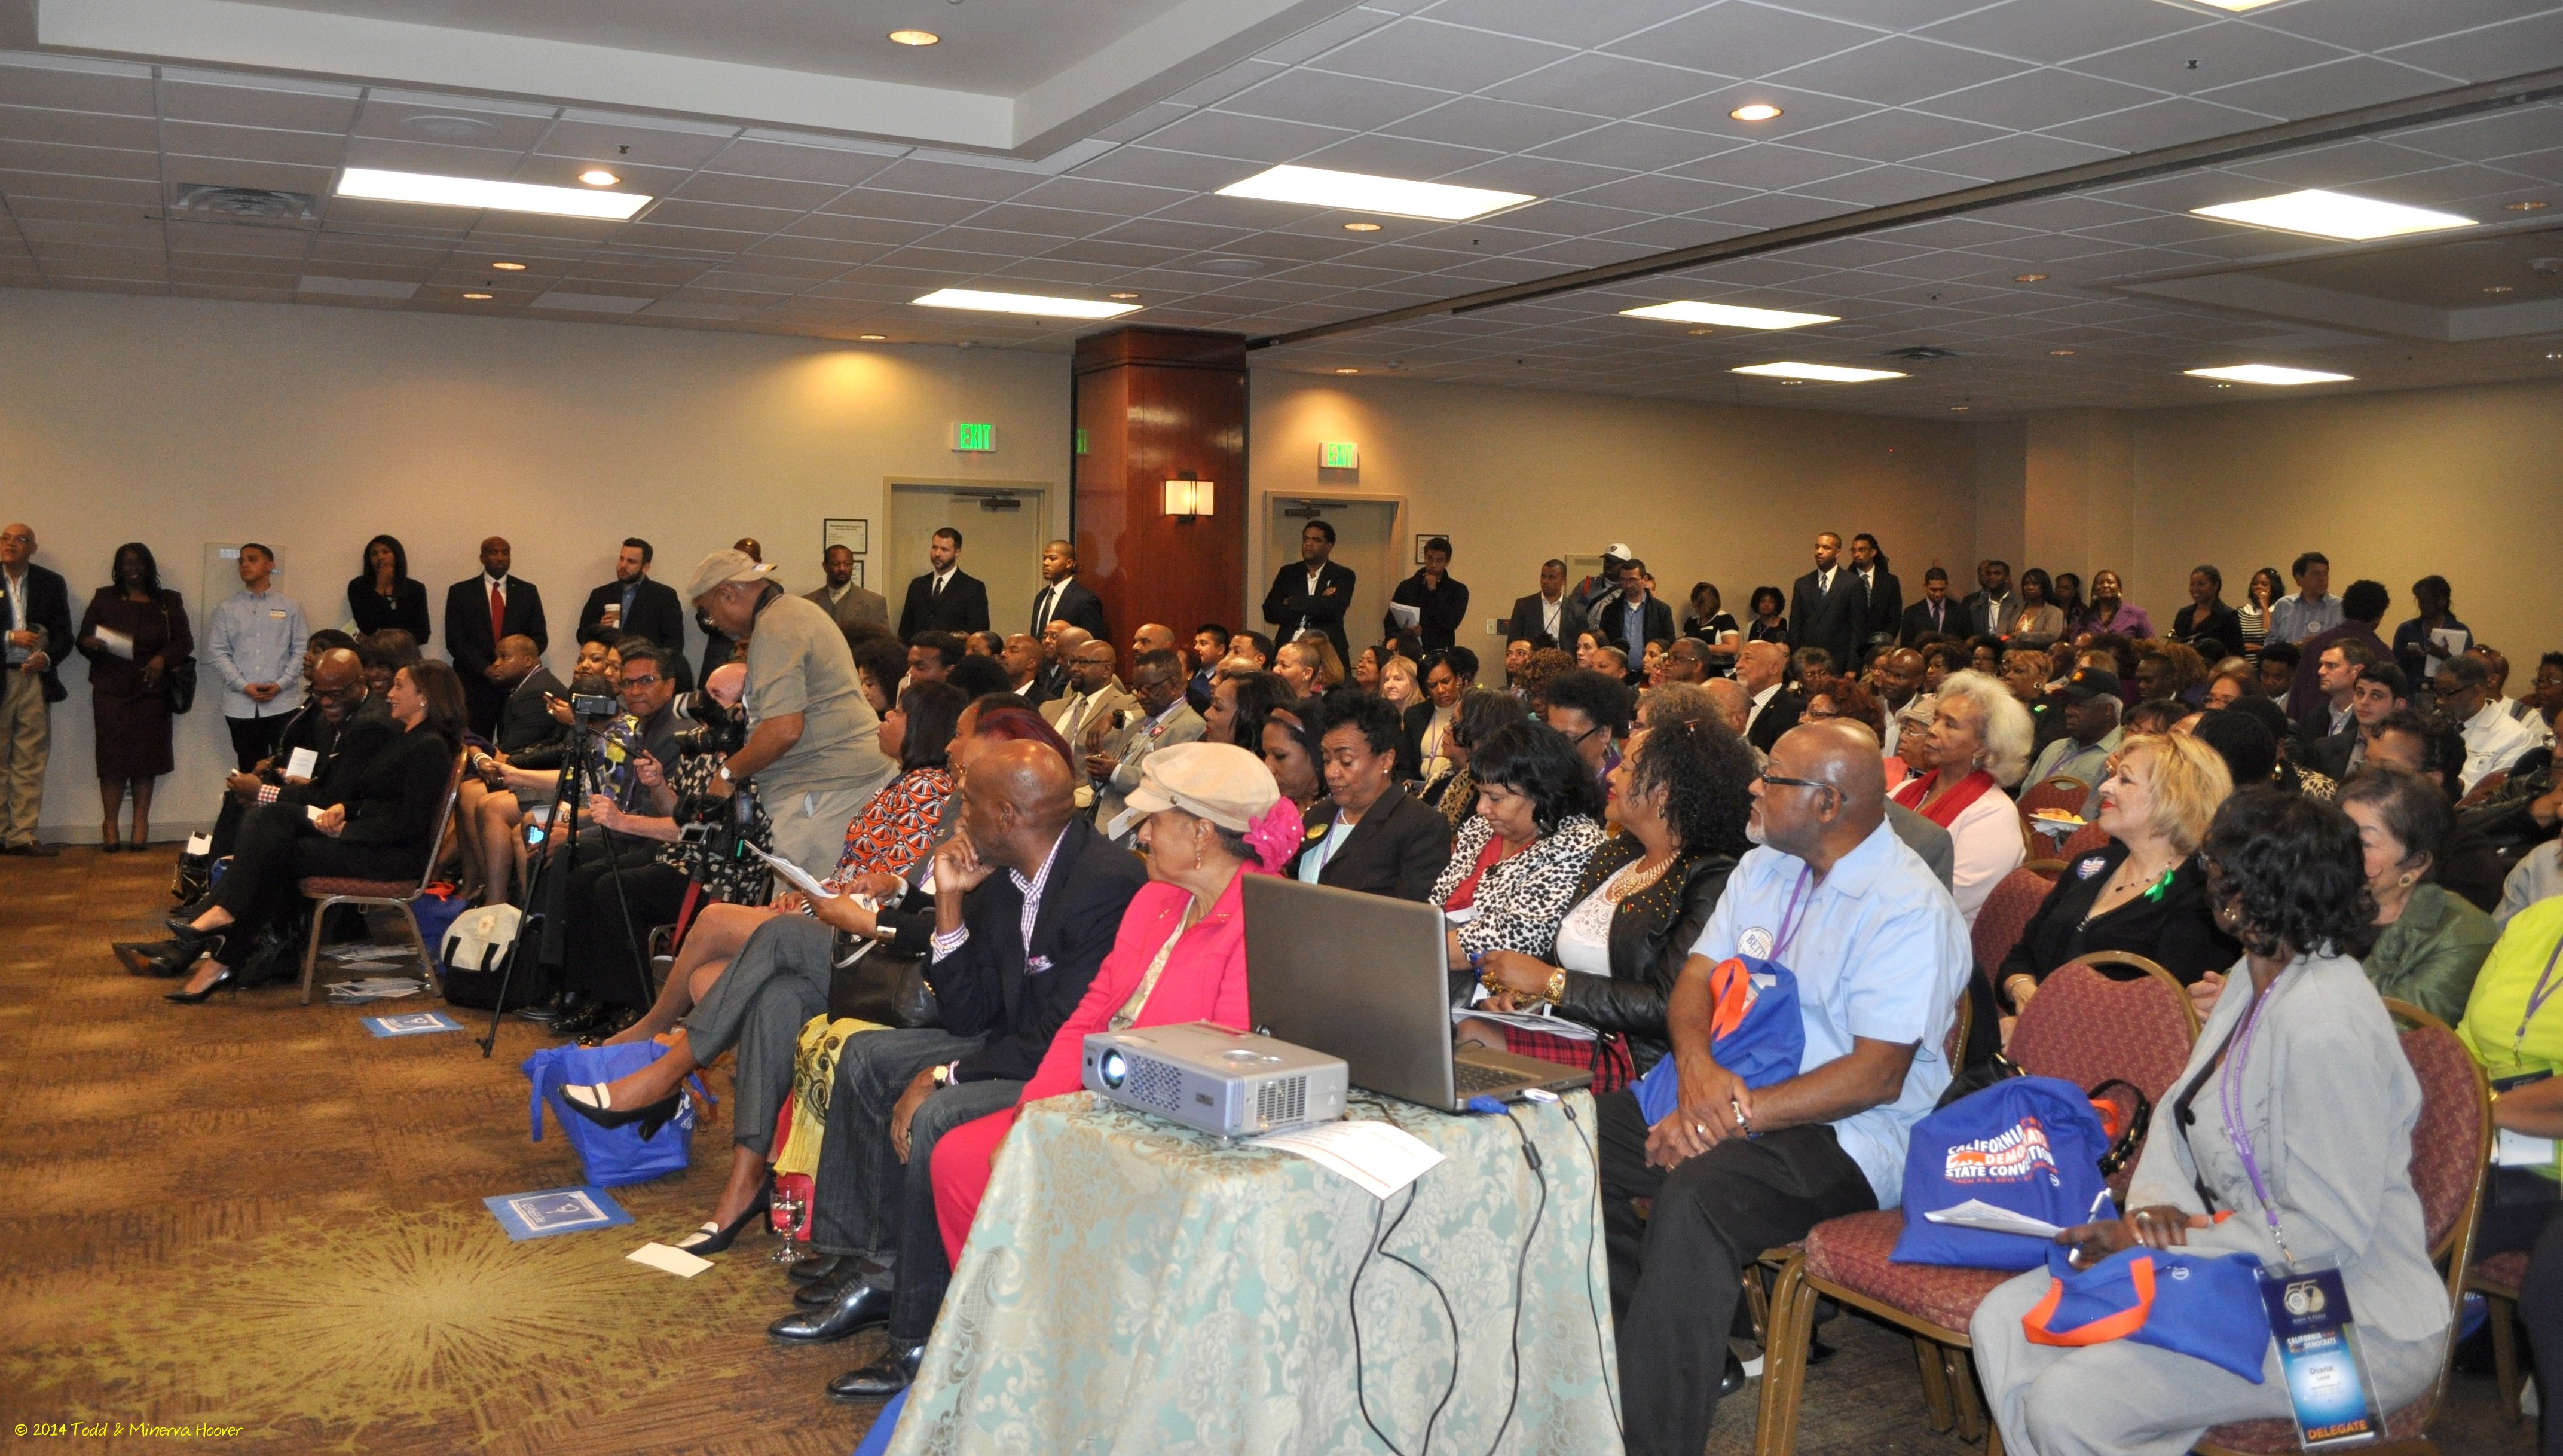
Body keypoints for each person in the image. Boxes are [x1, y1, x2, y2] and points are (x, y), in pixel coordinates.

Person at [1971, 787, 2448, 1456]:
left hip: (2341, 1314)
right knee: (2002, 1320)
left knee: (2072, 1402)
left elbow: (2326, 1231)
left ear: (2249, 890)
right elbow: (2178, 1119)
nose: (2206, 874)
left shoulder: (2327, 1026)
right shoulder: (2255, 975)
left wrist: (2164, 1241)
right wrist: (2150, 1224)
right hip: (2238, 1270)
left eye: (2216, 863)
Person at [1606, 719, 1969, 1455]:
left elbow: (1876, 1076)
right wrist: (1697, 1073)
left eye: (1772, 777)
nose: (1753, 786)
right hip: (1728, 1091)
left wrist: (1725, 1117)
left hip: (1850, 1133)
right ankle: (1641, 1364)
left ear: (1828, 803)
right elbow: (1696, 979)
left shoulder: (1906, 907)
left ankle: (1649, 1438)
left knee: (1699, 1196)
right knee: (1569, 1146)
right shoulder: (1765, 866)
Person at [761, 743, 1149, 1395]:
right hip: (1009, 1042)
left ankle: (916, 1334)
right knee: (869, 1056)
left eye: (969, 803)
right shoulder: (1002, 874)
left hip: (1064, 1069)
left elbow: (1059, 1038)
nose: (959, 816)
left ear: (1007, 815)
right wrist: (947, 902)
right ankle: (872, 1266)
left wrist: (947, 1076)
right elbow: (970, 1013)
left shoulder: (1102, 882)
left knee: (939, 1114)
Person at [928, 741, 1301, 1273]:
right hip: (1102, 1097)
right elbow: (1088, 1016)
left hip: (1171, 1130)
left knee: (1019, 1176)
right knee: (959, 1161)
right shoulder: (1156, 899)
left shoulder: (1264, 917)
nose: (1141, 835)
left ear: (1202, 833)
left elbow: (1224, 1070)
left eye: (1155, 821)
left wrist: (1078, 1128)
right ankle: (1003, 1313)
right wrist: (1030, 1114)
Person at [1459, 715, 1753, 1089]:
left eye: (1626, 768)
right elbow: (1572, 956)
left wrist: (1550, 982)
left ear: (1663, 793)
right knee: (1464, 1028)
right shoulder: (1617, 856)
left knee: (1474, 1038)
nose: (1612, 775)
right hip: (1572, 1028)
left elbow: (1670, 1005)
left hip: (1639, 1056)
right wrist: (1520, 996)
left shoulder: (1710, 878)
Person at [140, 660, 464, 998]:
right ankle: (223, 946)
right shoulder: (409, 737)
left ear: (424, 697)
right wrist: (344, 809)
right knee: (271, 821)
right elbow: (378, 797)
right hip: (371, 840)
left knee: (276, 851)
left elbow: (409, 825)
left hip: (390, 857)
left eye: (399, 686)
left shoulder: (429, 747)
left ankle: (221, 939)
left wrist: (345, 831)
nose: (390, 693)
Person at [549, 662, 778, 1040]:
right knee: (583, 878)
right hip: (683, 857)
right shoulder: (700, 746)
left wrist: (623, 821)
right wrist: (657, 784)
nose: (703, 704)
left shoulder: (753, 757)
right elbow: (676, 811)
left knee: (614, 890)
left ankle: (634, 1007)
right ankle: (594, 997)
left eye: (716, 696)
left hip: (721, 873)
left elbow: (701, 833)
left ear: (745, 706)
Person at [1998, 732, 2238, 1036]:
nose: (2104, 787)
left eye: (2125, 780)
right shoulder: (2091, 865)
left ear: (2173, 798)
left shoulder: (2201, 897)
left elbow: (2155, 1016)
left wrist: (2039, 1024)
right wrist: (2022, 990)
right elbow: (2021, 955)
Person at [687, 547, 897, 873]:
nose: (715, 623)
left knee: (810, 899)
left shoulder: (775, 628)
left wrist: (727, 774)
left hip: (825, 789)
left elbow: (784, 730)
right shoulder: (797, 610)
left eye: (710, 612)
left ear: (728, 594)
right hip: (843, 779)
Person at [1432, 718, 1609, 984]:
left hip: (1497, 990)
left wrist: (1416, 947)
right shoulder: (1482, 828)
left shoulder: (1578, 845)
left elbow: (1513, 938)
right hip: (1438, 965)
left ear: (1542, 794)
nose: (1481, 808)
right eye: (1480, 794)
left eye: (1495, 798)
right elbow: (1436, 905)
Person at [2331, 766, 2496, 1026]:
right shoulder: (2313, 893)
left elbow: (2393, 1029)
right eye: (2336, 834)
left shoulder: (2463, 933)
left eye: (2363, 843)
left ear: (2417, 863)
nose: (2338, 849)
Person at [1892, 669, 2031, 924]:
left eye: (1950, 724)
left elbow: (1942, 898)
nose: (1933, 730)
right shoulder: (1907, 789)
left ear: (1982, 746)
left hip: (1932, 934)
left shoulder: (1994, 815)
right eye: (1936, 719)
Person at [76, 543, 190, 851]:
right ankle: (110, 823)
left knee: (146, 759)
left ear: (149, 566)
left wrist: (162, 660)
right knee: (112, 760)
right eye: (126, 563)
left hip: (152, 690)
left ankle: (141, 822)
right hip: (111, 689)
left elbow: (184, 641)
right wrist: (91, 644)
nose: (133, 568)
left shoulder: (168, 600)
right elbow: (83, 638)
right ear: (118, 567)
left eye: (139, 562)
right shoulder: (104, 597)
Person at [1290, 692, 1452, 900]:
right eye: (1326, 759)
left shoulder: (1421, 827)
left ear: (1386, 760)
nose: (1331, 772)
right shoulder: (1319, 813)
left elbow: (1412, 914)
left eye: (1346, 761)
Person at [206, 540, 311, 775]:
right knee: (250, 770)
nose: (245, 565)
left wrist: (281, 684)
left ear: (270, 565)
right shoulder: (227, 609)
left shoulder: (290, 607)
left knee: (286, 769)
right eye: (241, 561)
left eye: (252, 559)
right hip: (240, 705)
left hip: (283, 703)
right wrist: (243, 686)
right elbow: (218, 652)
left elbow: (301, 649)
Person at [1091, 648, 1204, 840]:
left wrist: (1115, 772)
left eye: (1147, 689)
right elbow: (1114, 768)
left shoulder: (1191, 726)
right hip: (1100, 815)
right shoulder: (1137, 722)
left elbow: (1170, 783)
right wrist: (1098, 770)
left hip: (1135, 830)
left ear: (1173, 685)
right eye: (1136, 689)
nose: (1140, 696)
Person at [442, 536, 546, 738]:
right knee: (475, 743)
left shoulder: (527, 591)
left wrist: (512, 667)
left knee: (516, 743)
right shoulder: (461, 592)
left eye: (505, 553)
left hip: (516, 685)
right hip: (475, 684)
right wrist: (486, 668)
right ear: (482, 558)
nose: (500, 558)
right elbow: (455, 641)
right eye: (494, 552)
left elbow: (539, 638)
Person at [2284, 578, 2390, 727]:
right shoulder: (2382, 653)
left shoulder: (2315, 644)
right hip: (2360, 732)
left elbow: (2297, 696)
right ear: (2379, 616)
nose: (2322, 671)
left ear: (2344, 609)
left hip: (2308, 729)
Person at [1418, 687, 1529, 825]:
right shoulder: (1442, 781)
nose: (1446, 729)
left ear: (1479, 735)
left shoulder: (1490, 792)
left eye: (1454, 723)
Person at [2021, 666, 2122, 810]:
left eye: (2078, 705)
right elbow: (2023, 802)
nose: (2068, 711)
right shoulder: (2054, 749)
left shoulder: (2123, 758)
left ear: (2108, 710)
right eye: (2068, 704)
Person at [577, 538, 686, 671]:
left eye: (631, 562)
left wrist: (658, 671)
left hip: (642, 670)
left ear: (645, 567)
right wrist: (599, 628)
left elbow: (674, 644)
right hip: (605, 671)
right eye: (621, 559)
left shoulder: (664, 596)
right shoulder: (600, 594)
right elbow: (581, 635)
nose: (623, 565)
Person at [2435, 652, 2537, 794]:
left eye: (2446, 693)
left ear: (2476, 691)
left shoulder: (2517, 737)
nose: (2439, 701)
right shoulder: (2435, 721)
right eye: (2437, 693)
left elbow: (2499, 795)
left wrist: (2447, 781)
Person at [1261, 519, 1355, 668]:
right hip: (1289, 645)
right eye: (1306, 539)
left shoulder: (1342, 575)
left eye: (1316, 540)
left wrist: (1291, 602)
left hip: (1326, 649)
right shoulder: (1288, 572)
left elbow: (1333, 609)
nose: (1308, 544)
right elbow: (1270, 611)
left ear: (1329, 546)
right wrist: (1319, 600)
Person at [2305, 661, 2408, 781]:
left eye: (2376, 696)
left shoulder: (2409, 752)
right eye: (2360, 693)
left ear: (2399, 705)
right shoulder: (2324, 749)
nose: (2364, 702)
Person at [1785, 533, 1863, 675]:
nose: (1819, 552)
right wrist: (1796, 661)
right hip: (1807, 661)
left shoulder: (1852, 583)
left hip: (1839, 661)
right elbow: (1796, 625)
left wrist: (1853, 667)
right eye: (1817, 547)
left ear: (1838, 553)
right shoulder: (1803, 583)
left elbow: (1858, 629)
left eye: (1826, 548)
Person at [1543, 666, 1634, 783]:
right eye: (1552, 736)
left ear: (1604, 733)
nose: (1556, 749)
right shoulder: (1546, 777)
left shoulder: (1618, 785)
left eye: (1569, 739)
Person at [893, 527, 986, 638]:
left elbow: (978, 634)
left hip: (953, 648)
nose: (937, 554)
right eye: (934, 548)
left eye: (944, 550)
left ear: (957, 553)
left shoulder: (973, 588)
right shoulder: (917, 585)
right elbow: (905, 630)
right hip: (918, 648)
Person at [1402, 646, 1474, 782]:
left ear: (1458, 679)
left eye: (1446, 681)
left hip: (1458, 785)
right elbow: (1406, 765)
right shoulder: (1414, 715)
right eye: (1433, 685)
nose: (1441, 690)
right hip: (1421, 786)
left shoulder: (1472, 712)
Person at [345, 534, 431, 644]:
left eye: (386, 552)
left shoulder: (415, 588)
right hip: (371, 652)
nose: (380, 558)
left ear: (397, 555)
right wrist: (380, 587)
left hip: (406, 652)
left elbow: (423, 634)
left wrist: (388, 639)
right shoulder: (358, 586)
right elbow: (367, 627)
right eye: (374, 554)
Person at [1387, 535, 1467, 651]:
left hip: (1439, 653)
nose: (1433, 565)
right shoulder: (1407, 586)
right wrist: (1404, 632)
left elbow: (1451, 623)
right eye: (1429, 558)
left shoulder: (1458, 590)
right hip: (1408, 651)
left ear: (1447, 562)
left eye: (1439, 560)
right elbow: (1390, 622)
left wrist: (1433, 591)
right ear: (1425, 558)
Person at [2388, 574, 2469, 689]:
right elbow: (2394, 671)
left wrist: (2446, 656)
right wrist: (2408, 657)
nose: (2424, 606)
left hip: (2447, 693)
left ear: (2443, 601)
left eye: (2428, 602)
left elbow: (2467, 673)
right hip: (2411, 692)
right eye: (2421, 602)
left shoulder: (2460, 630)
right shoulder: (2406, 629)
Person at [1025, 537, 1106, 641]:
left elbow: (1091, 642)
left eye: (1053, 559)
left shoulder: (1085, 600)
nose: (1046, 563)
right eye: (1044, 558)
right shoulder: (1041, 597)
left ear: (1069, 563)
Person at [803, 543, 889, 638]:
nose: (842, 568)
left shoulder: (874, 603)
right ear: (825, 566)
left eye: (847, 564)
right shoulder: (808, 602)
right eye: (836, 564)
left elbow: (883, 643)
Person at [1505, 557, 1589, 653]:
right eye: (1543, 577)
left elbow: (1583, 644)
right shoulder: (1524, 606)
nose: (1545, 581)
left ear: (1564, 581)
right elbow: (1513, 641)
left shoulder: (1577, 610)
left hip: (1566, 661)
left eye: (1551, 577)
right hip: (1532, 660)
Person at [1734, 639, 1803, 754]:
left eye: (1748, 659)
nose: (1738, 665)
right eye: (1739, 659)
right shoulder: (1736, 704)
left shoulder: (1793, 710)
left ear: (1773, 668)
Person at [1259, 700, 1326, 812]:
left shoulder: (1340, 815)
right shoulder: (1267, 809)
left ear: (1315, 753)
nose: (1268, 767)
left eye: (1280, 756)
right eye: (1265, 755)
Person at [2267, 549, 2342, 646]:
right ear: (2299, 578)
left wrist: (2324, 644)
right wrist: (2296, 646)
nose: (2322, 579)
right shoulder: (2284, 605)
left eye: (2325, 573)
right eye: (2316, 574)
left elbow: (2350, 646)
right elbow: (2270, 644)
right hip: (2291, 655)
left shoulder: (2340, 607)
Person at [2166, 564, 2241, 659]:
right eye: (2192, 585)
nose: (2195, 589)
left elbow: (2237, 654)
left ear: (2216, 586)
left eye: (2201, 585)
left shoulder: (2227, 615)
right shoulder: (2184, 614)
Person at [2070, 568, 2146, 640]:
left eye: (2110, 582)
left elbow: (2150, 645)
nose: (2105, 585)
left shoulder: (2137, 614)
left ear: (2119, 589)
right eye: (2100, 583)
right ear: (2094, 591)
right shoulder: (2085, 617)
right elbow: (2074, 645)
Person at [2004, 567, 2066, 650]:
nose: (2030, 587)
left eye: (2035, 584)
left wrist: (2019, 636)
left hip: (2039, 655)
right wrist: (2007, 639)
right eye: (2027, 584)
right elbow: (2000, 635)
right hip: (2011, 654)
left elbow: (2051, 636)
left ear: (2044, 586)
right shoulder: (2014, 609)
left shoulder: (2054, 612)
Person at [1962, 558, 2018, 639]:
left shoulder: (2019, 604)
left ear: (2007, 578)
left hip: (2009, 645)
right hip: (1983, 645)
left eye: (1997, 574)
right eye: (1989, 574)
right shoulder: (1976, 606)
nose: (1992, 577)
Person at [1900, 565, 1953, 645]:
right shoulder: (1911, 613)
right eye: (1933, 590)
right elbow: (1906, 645)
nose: (1938, 594)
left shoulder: (1961, 612)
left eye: (1942, 589)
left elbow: (1967, 646)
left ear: (1947, 586)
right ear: (1925, 587)